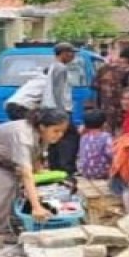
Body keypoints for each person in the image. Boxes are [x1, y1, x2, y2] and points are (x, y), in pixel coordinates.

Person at [0, 108, 70, 241]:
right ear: (42, 127)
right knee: (6, 184)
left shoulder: (42, 133)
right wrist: (36, 207)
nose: (59, 135)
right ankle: (1, 230)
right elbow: (26, 173)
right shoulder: (23, 137)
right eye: (56, 131)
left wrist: (41, 174)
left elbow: (36, 155)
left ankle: (14, 219)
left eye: (62, 131)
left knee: (19, 183)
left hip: (1, 155)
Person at [42, 42, 80, 175]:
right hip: (60, 110)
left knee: (55, 139)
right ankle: (66, 169)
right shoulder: (60, 68)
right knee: (69, 139)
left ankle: (55, 168)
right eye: (71, 52)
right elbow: (57, 92)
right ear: (63, 53)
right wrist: (61, 113)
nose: (73, 55)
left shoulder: (54, 67)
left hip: (52, 109)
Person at [95, 45, 129, 132]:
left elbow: (95, 87)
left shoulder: (103, 68)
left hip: (104, 110)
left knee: (107, 135)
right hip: (122, 112)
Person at [77, 109, 113, 180]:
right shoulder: (106, 136)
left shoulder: (84, 137)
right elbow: (111, 154)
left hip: (85, 171)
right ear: (104, 124)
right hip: (101, 172)